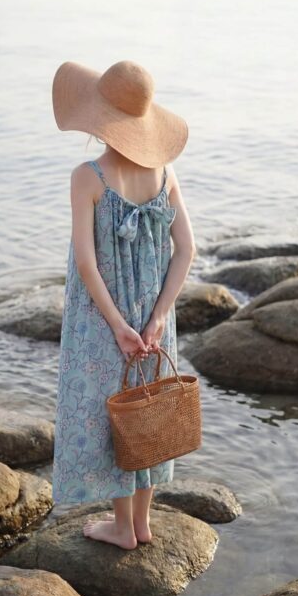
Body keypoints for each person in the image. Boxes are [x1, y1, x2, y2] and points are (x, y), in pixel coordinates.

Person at [51, 60, 196, 549]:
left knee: (111, 410)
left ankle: (121, 527)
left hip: (104, 319)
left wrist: (116, 324)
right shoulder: (164, 172)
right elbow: (187, 250)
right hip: (154, 319)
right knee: (148, 412)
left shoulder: (87, 177)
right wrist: (157, 317)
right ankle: (143, 523)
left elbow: (87, 265)